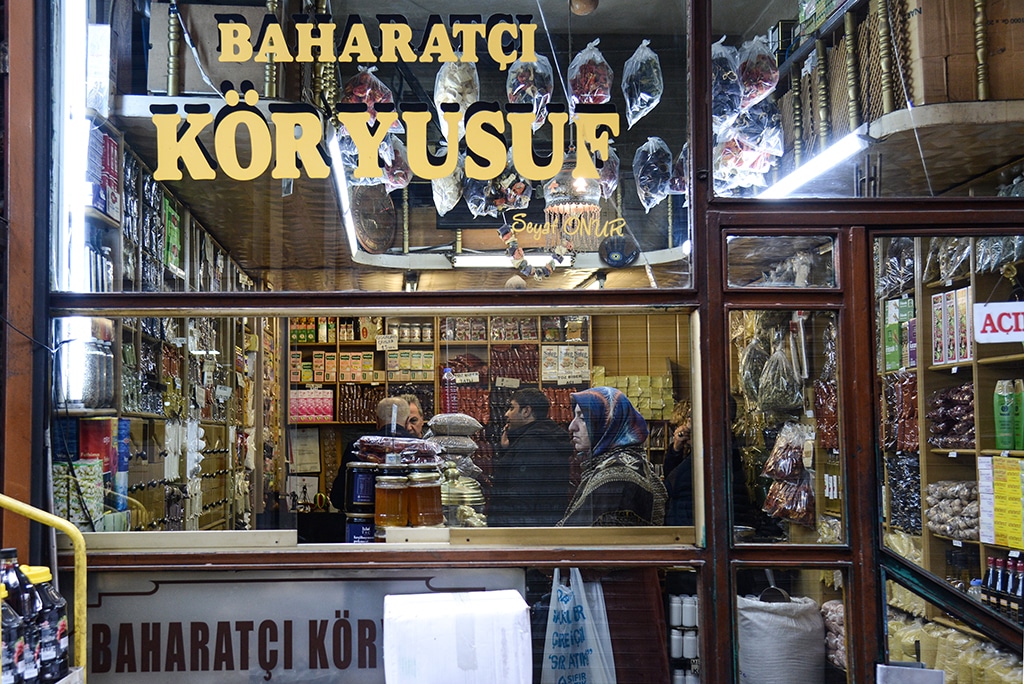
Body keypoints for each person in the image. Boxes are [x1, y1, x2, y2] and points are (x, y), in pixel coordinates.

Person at [558, 386, 667, 526]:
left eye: (583, 418)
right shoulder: (622, 463)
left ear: (609, 424)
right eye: (574, 417)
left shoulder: (617, 478)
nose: (572, 427)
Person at [488, 388, 573, 526]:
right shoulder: (541, 439)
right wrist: (508, 449)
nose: (506, 414)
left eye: (511, 408)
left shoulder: (532, 445)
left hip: (526, 533)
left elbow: (520, 501)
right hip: (541, 528)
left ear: (526, 411)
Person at [329, 396, 412, 511]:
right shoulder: (421, 448)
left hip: (365, 522)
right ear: (408, 421)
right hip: (408, 520)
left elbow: (338, 498)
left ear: (377, 421)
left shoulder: (357, 446)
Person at [663, 400, 694, 525]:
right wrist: (676, 449)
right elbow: (669, 474)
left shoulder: (699, 455)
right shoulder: (686, 450)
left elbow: (673, 484)